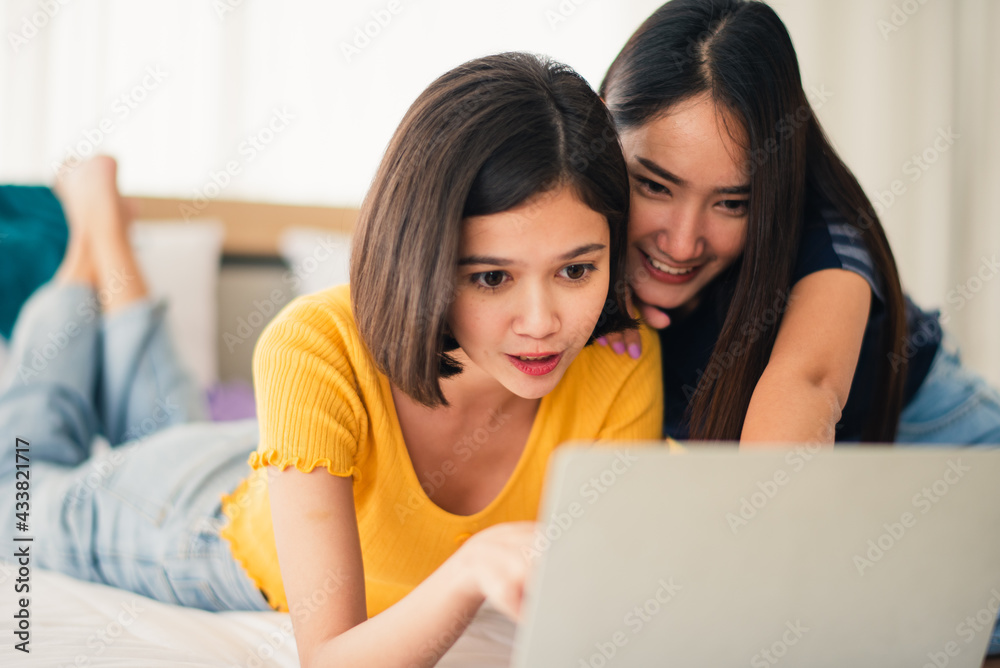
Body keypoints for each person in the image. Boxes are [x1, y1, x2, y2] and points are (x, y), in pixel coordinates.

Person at [0, 52, 662, 667]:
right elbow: (331, 657)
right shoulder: (313, 342)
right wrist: (466, 571)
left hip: (282, 466)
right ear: (422, 254)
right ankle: (87, 248)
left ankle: (106, 239)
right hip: (198, 525)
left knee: (164, 427)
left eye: (576, 270)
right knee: (18, 492)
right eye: (492, 277)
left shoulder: (623, 361)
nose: (544, 324)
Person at [596, 0, 1000, 449]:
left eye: (732, 203)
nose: (683, 243)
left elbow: (807, 388)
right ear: (597, 131)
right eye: (655, 186)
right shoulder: (561, 205)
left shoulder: (831, 248)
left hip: (931, 431)